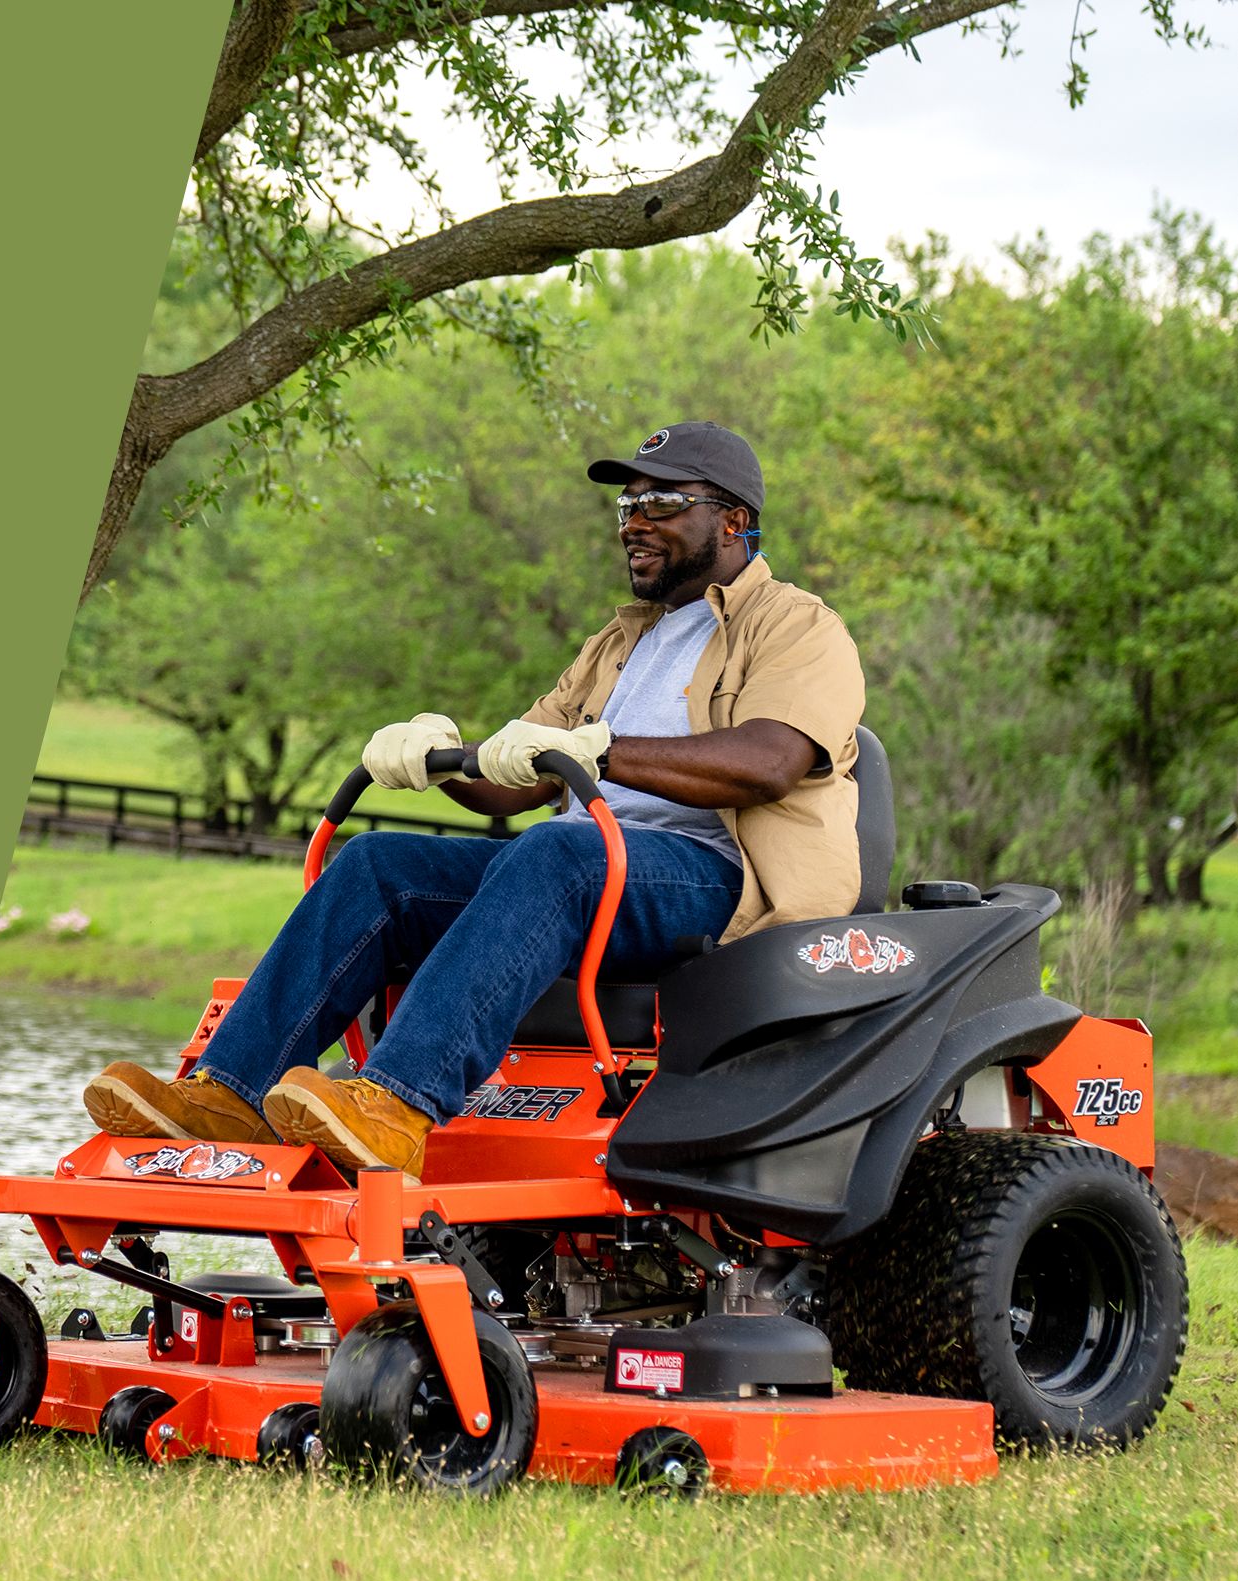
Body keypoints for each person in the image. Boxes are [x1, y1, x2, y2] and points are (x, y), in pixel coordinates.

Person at [82, 421, 867, 1176]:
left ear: (732, 520)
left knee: (558, 850)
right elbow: (508, 780)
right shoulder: (619, 641)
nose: (634, 523)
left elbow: (767, 762)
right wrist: (435, 754)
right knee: (379, 862)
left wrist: (602, 750)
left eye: (661, 504)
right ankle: (230, 1093)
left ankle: (396, 1104)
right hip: (596, 863)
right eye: (627, 506)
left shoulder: (798, 626)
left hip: (719, 876)